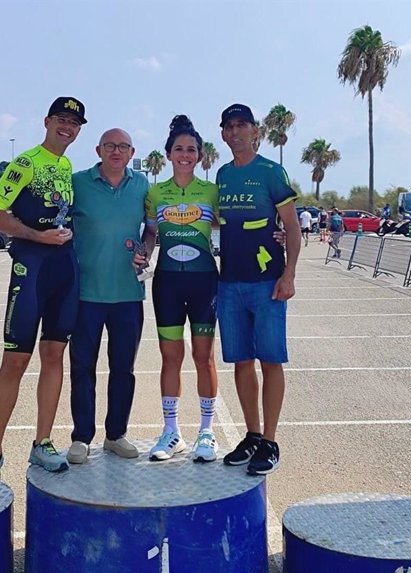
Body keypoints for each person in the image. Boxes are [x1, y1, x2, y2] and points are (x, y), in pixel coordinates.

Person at [0, 96, 87, 503]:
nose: (67, 127)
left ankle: (42, 443)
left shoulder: (67, 166)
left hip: (64, 272)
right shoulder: (26, 162)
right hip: (31, 269)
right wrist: (38, 237)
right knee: (15, 361)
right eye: (61, 120)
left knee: (54, 357)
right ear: (47, 121)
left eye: (74, 123)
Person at [215, 103, 301, 476]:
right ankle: (251, 434)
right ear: (223, 134)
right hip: (229, 281)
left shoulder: (271, 171)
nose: (235, 132)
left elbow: (292, 227)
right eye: (229, 126)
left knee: (270, 360)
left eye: (242, 125)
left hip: (268, 282)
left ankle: (269, 440)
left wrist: (290, 275)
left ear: (255, 131)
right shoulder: (220, 175)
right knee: (241, 361)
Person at [66, 128, 150, 465]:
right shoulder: (77, 183)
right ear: (98, 149)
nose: (116, 151)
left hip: (129, 294)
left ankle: (116, 435)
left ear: (132, 153)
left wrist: (146, 248)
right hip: (85, 293)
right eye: (110, 146)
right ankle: (81, 437)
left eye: (123, 147)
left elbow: (153, 228)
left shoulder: (143, 185)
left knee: (123, 369)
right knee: (82, 368)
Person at [141, 115, 220, 463]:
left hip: (205, 281)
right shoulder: (156, 193)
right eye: (179, 149)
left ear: (199, 156)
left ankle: (207, 432)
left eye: (191, 149)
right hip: (168, 282)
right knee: (170, 357)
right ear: (169, 154)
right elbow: (150, 234)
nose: (185, 154)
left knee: (203, 357)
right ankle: (171, 432)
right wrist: (141, 253)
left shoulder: (212, 192)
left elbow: (234, 229)